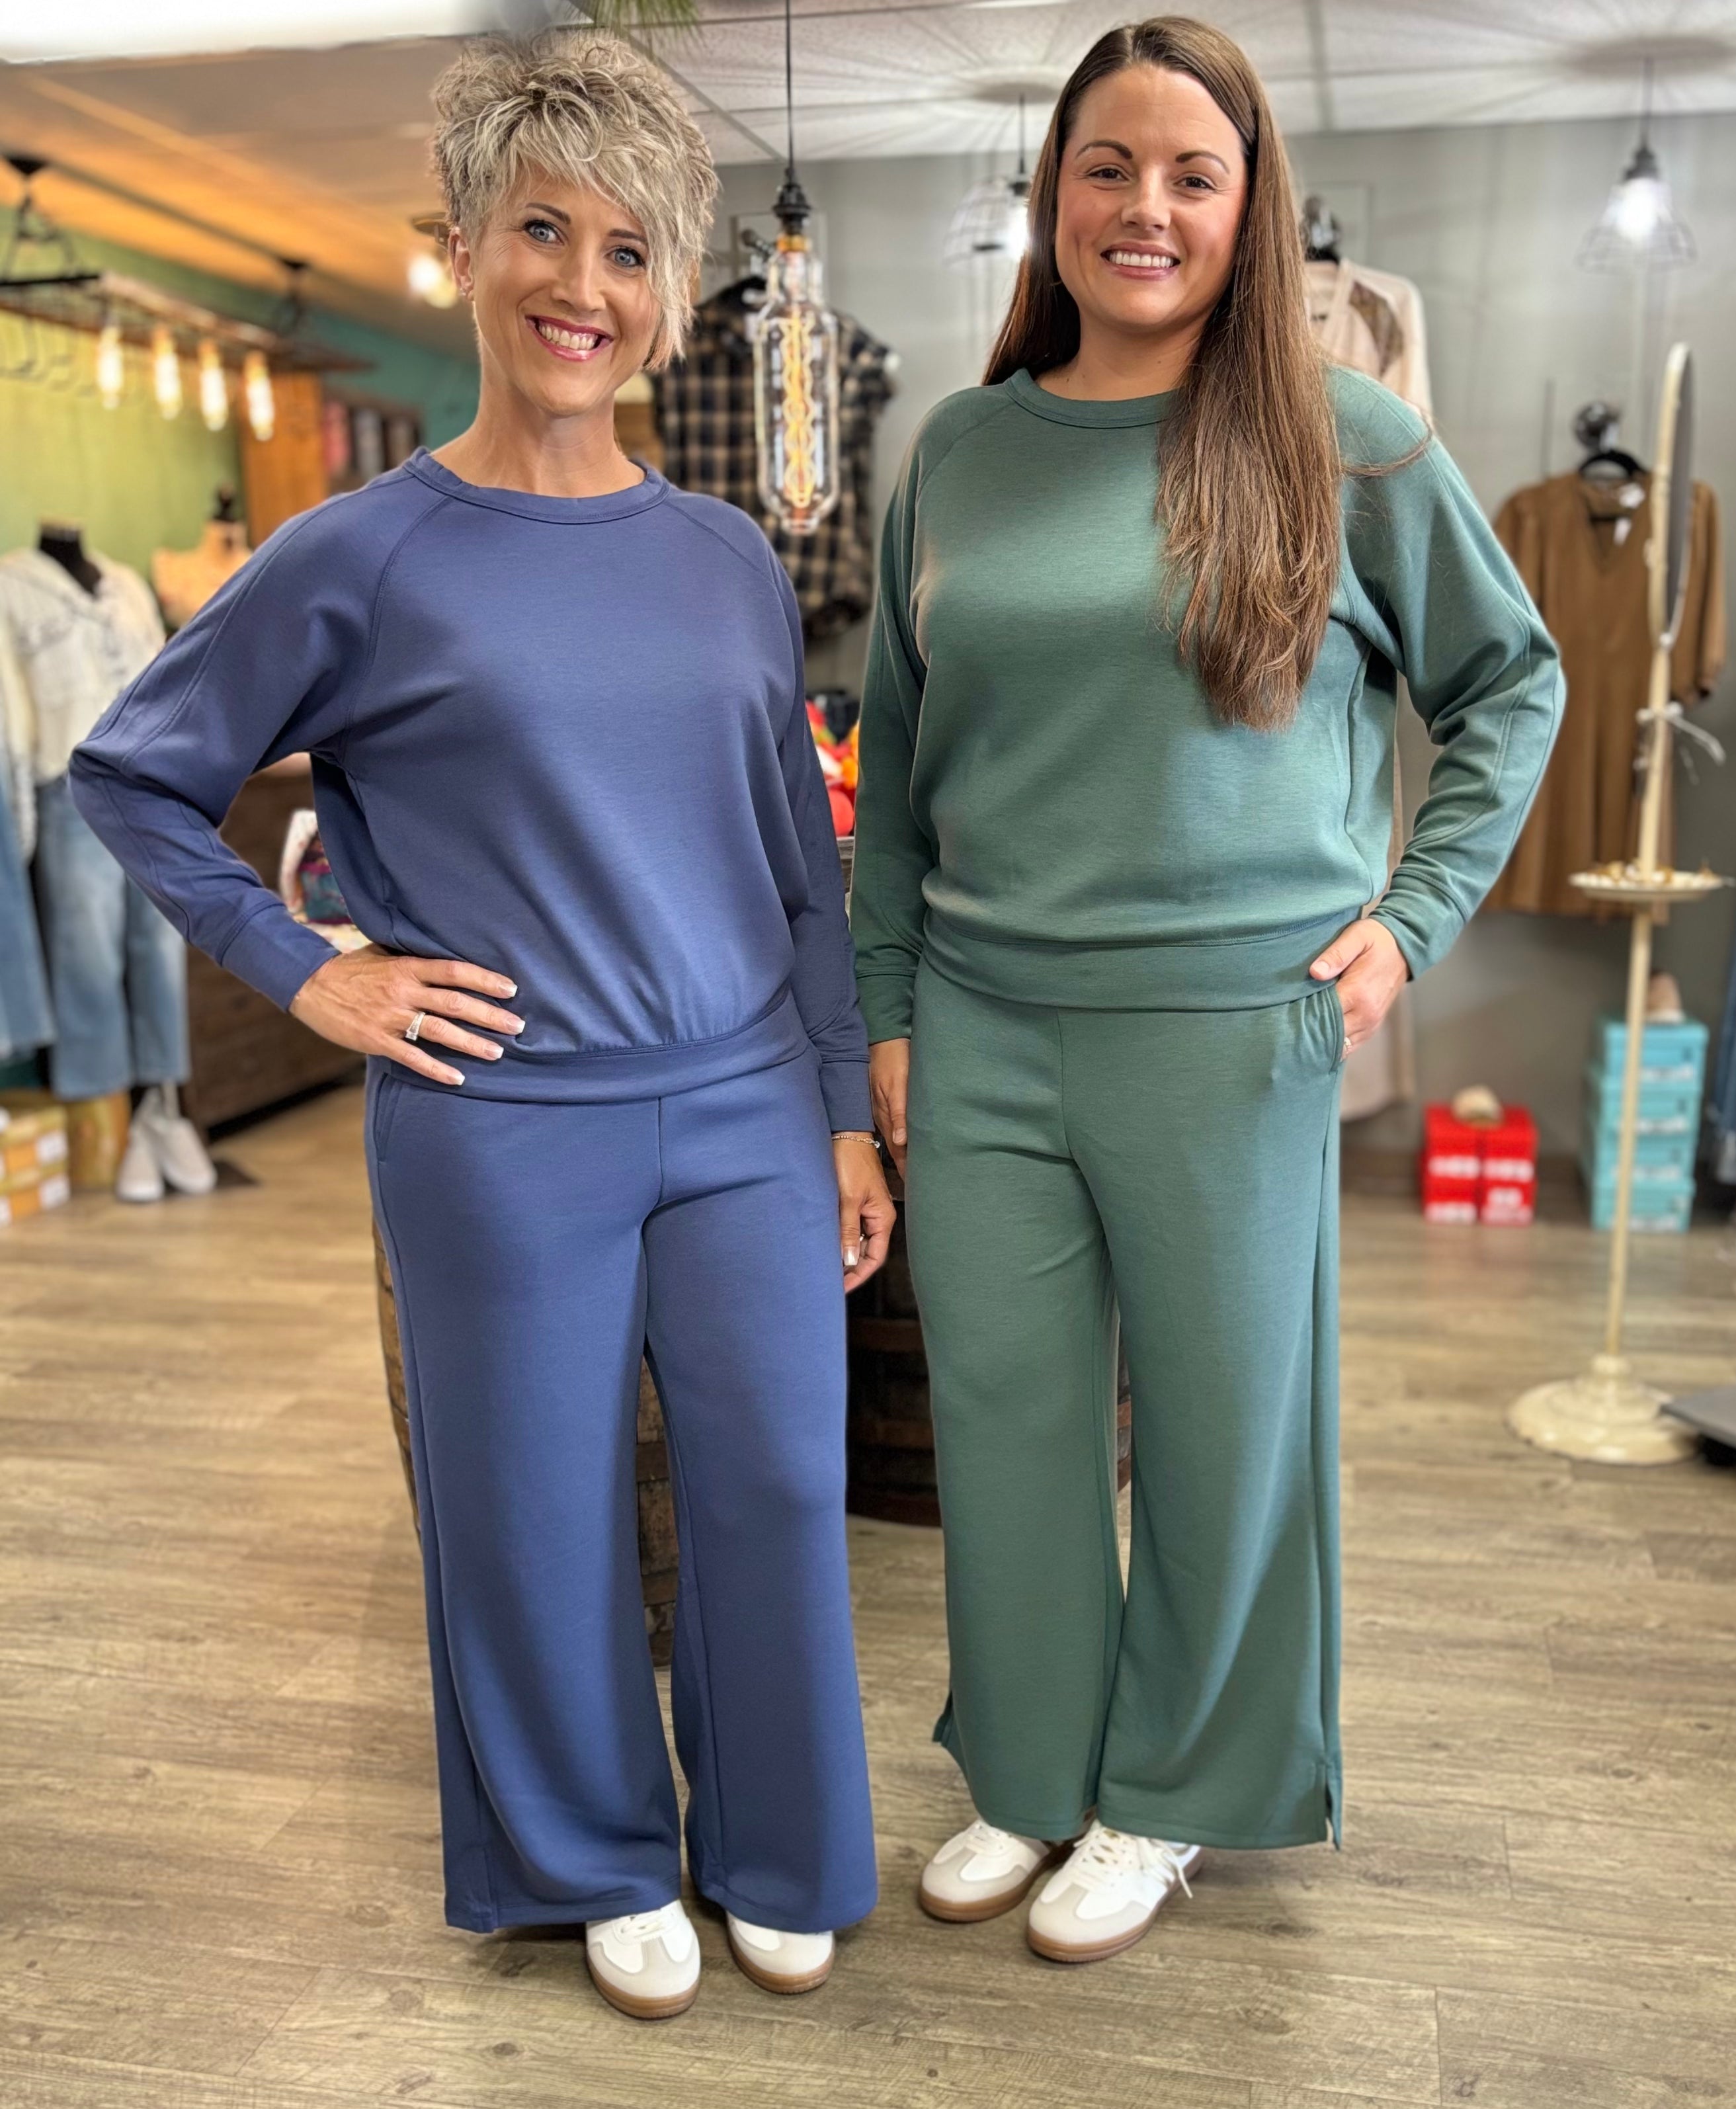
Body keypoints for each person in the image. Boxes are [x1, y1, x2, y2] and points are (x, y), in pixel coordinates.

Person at [70, 28, 891, 2021]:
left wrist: (843, 1110)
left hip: (743, 1107)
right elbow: (130, 775)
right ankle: (592, 1856)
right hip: (501, 1117)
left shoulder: (725, 556)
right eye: (541, 231)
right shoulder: (361, 554)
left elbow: (801, 863)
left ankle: (780, 1848)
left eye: (628, 249)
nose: (581, 287)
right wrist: (308, 970)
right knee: (531, 1509)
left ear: (669, 292)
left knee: (782, 1488)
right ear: (460, 248)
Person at [851, 15, 1562, 1965]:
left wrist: (1410, 919)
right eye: (1107, 166)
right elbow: (898, 764)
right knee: (1007, 1418)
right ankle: (1027, 1767)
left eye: (1193, 173)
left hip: (1231, 1031)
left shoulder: (1345, 437)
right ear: (1051, 196)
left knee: (1226, 1430)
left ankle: (1169, 1790)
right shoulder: (965, 450)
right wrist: (888, 1011)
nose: (1144, 208)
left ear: (1254, 209)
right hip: (983, 1024)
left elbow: (1513, 684)